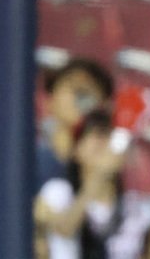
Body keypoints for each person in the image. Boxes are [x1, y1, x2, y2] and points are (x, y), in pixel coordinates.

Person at [33, 109, 150, 259]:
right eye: (95, 135)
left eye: (109, 136)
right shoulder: (58, 191)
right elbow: (65, 228)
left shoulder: (138, 208)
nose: (103, 142)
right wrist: (99, 176)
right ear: (76, 149)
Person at [35, 56, 113, 187]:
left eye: (86, 91)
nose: (77, 98)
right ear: (50, 99)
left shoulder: (107, 163)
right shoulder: (25, 150)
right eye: (71, 86)